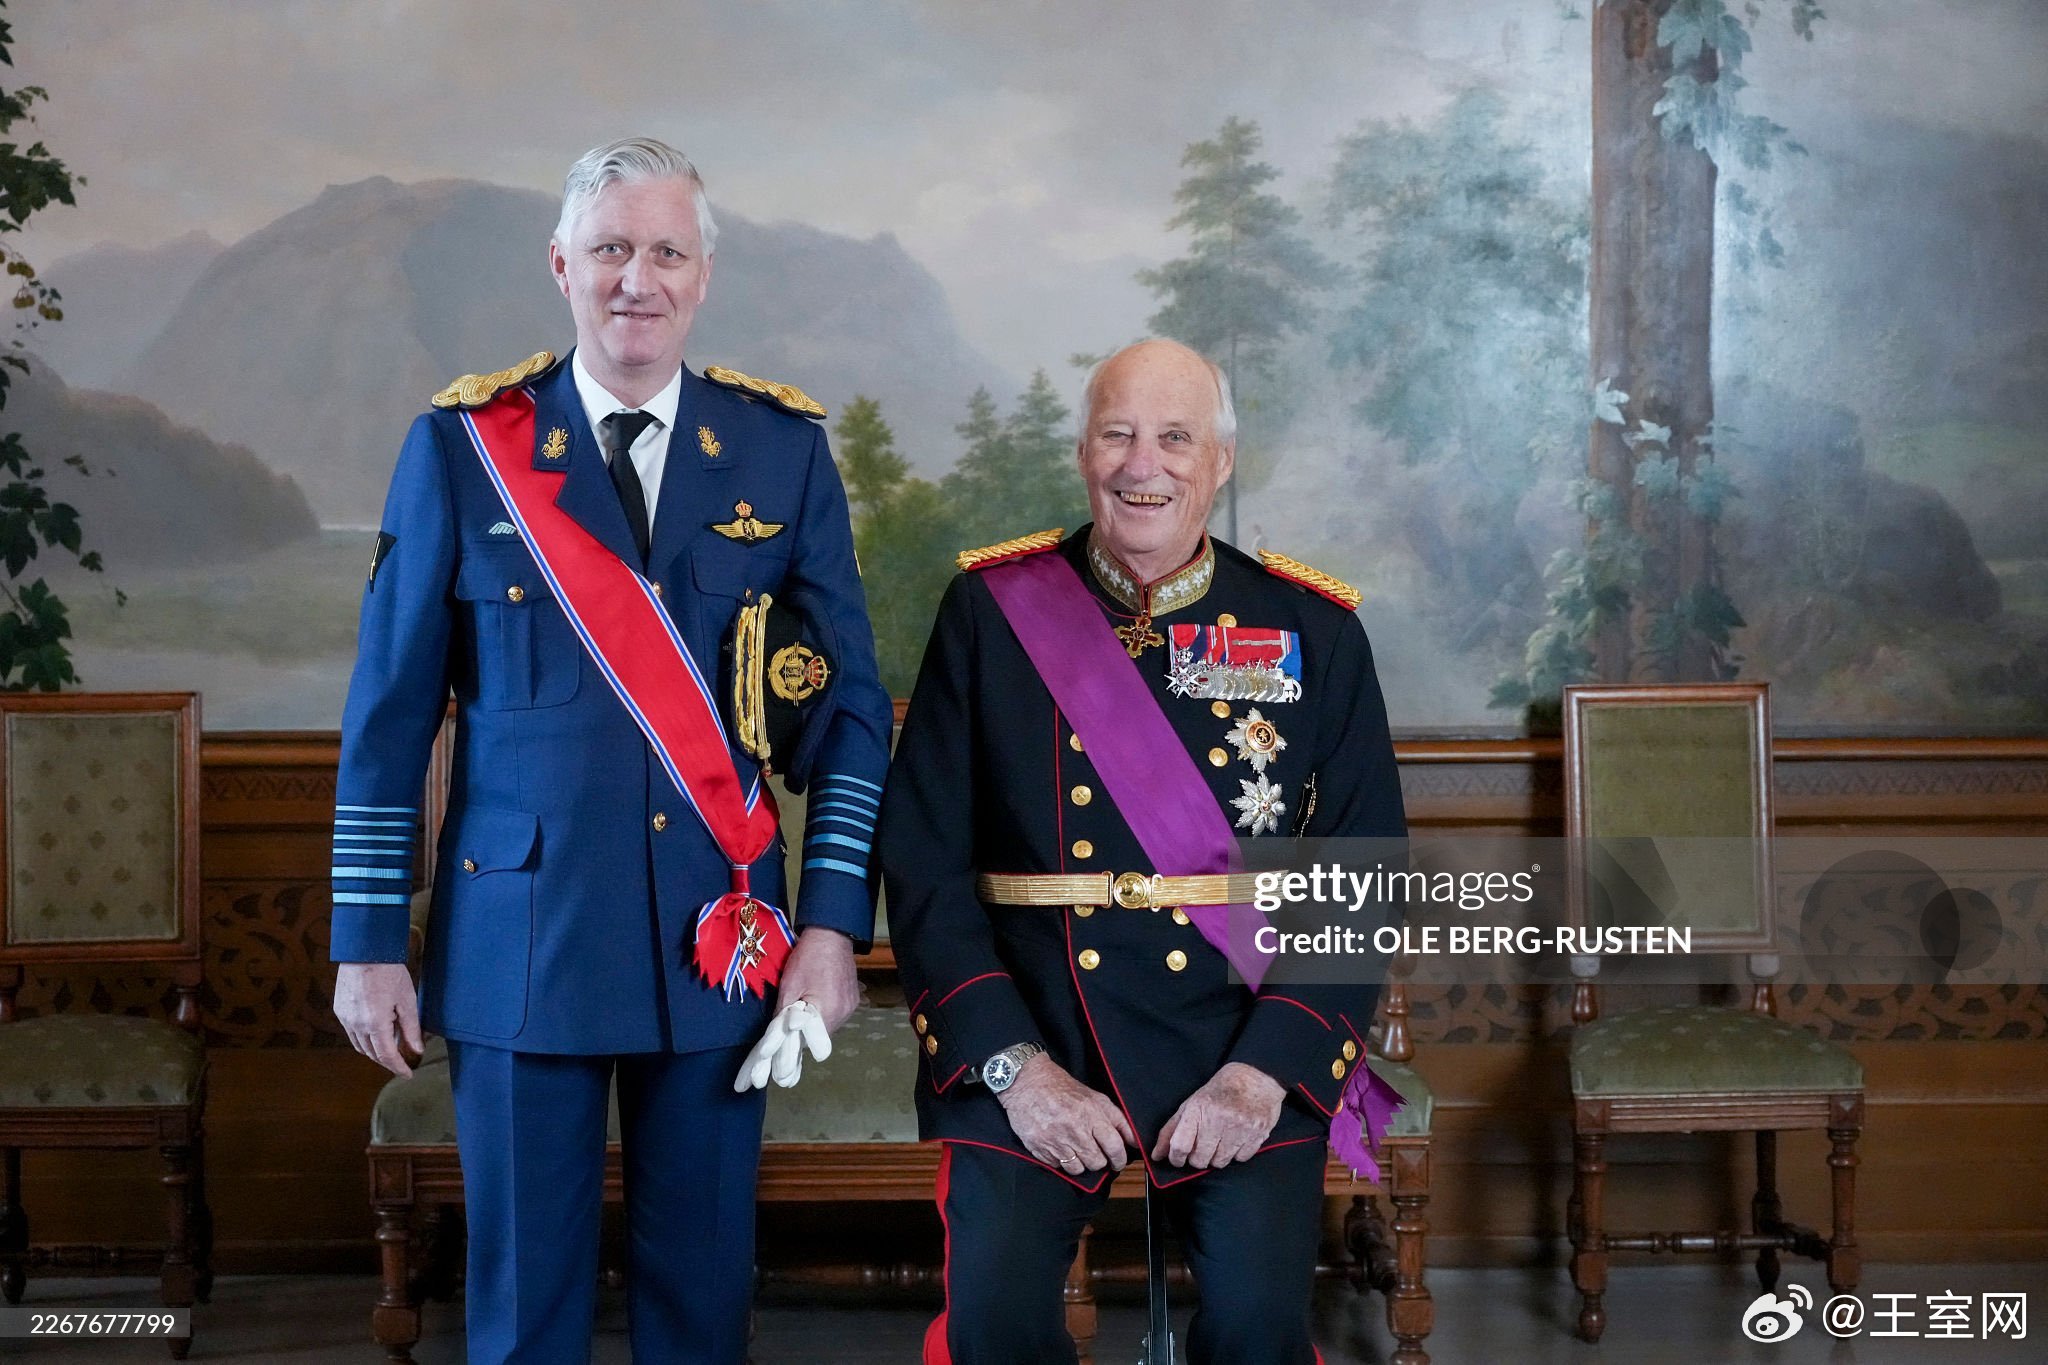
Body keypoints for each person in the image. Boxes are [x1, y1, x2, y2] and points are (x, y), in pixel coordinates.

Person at [328, 137, 892, 1364]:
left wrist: (831, 926)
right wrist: (367, 943)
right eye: (610, 250)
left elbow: (850, 708)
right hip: (522, 939)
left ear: (703, 274)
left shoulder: (779, 450)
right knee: (523, 1312)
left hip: (721, 940)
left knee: (701, 1307)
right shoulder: (462, 447)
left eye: (665, 252)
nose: (637, 279)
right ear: (560, 265)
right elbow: (387, 713)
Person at [879, 338, 1406, 1365]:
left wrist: (1262, 1073)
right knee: (993, 1327)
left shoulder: (1311, 628)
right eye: (1117, 435)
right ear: (1083, 453)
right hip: (1036, 1021)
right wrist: (1016, 1067)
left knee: (1255, 1332)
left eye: (1174, 438)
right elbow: (925, 865)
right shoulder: (989, 611)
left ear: (1220, 461)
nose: (1141, 465)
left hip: (1238, 1028)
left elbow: (1355, 883)